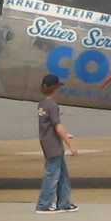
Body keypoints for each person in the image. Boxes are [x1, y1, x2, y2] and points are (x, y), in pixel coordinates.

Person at [34, 73, 81, 212]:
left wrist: (65, 135)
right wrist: (70, 144)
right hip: (53, 144)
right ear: (55, 88)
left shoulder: (42, 103)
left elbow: (48, 126)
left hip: (47, 141)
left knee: (62, 175)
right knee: (52, 175)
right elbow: (57, 126)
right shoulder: (52, 105)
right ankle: (44, 204)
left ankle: (64, 202)